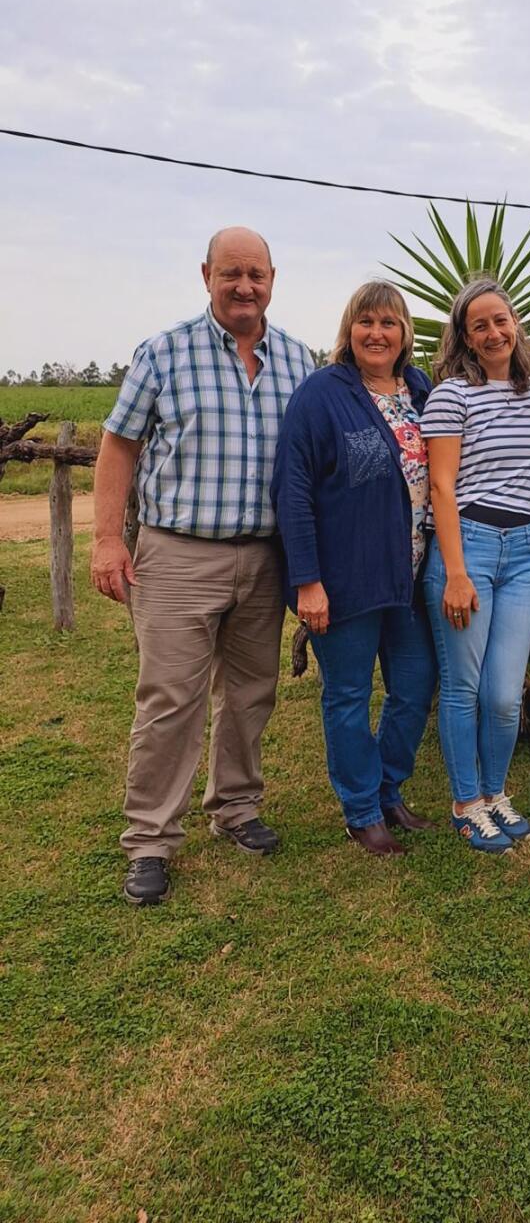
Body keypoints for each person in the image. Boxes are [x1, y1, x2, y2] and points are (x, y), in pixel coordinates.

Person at [91, 226, 314, 905]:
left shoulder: (300, 362)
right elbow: (119, 446)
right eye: (230, 274)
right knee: (170, 700)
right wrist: (107, 539)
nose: (244, 286)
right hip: (179, 553)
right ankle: (152, 838)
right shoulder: (163, 353)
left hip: (265, 557)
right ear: (206, 275)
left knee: (251, 693)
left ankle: (236, 808)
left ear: (273, 277)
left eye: (256, 274)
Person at [271, 282, 439, 857]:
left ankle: (389, 788)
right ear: (349, 329)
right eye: (366, 321)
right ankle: (362, 810)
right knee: (347, 695)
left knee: (415, 687)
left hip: (411, 576)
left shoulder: (420, 388)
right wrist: (307, 581)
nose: (377, 333)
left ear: (405, 334)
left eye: (389, 323)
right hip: (344, 580)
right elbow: (292, 489)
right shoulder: (322, 393)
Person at [420, 278, 530, 852]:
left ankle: (496, 794)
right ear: (465, 338)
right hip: (466, 546)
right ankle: (466, 801)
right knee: (463, 686)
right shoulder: (452, 395)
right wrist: (456, 572)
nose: (494, 332)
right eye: (480, 325)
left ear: (515, 324)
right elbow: (441, 487)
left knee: (503, 694)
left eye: (501, 320)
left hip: (524, 552)